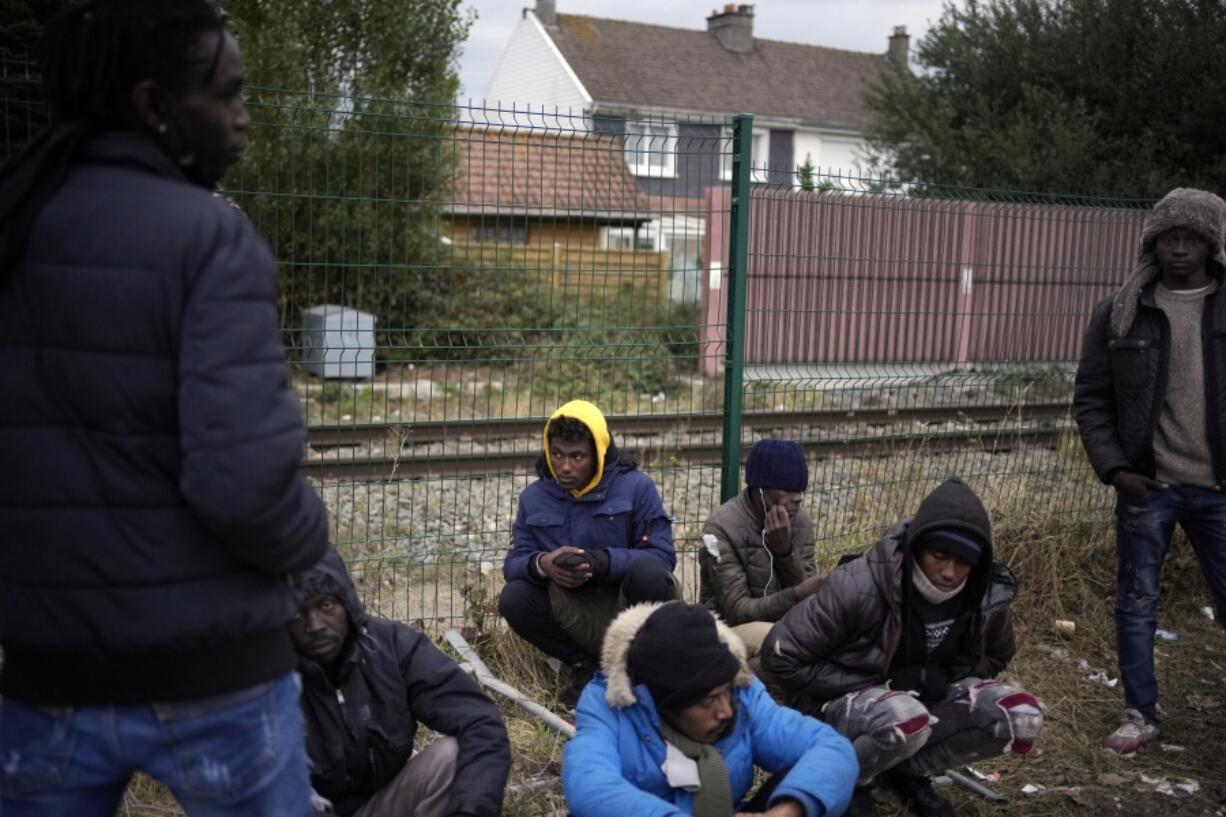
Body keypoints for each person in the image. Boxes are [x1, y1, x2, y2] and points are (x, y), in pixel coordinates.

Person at [0, 2, 330, 814]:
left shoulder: (15, 219)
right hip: (212, 675)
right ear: (155, 108)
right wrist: (310, 537)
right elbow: (246, 482)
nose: (243, 118)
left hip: (44, 675)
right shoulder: (207, 238)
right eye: (227, 94)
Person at [762, 478, 1043, 817]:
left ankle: (909, 771)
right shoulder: (859, 585)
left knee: (1018, 713)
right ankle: (853, 780)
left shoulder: (983, 595)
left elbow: (998, 653)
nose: (950, 572)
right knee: (901, 715)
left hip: (914, 710)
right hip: (837, 710)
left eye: (964, 562)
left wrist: (944, 680)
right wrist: (881, 685)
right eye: (938, 556)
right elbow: (780, 655)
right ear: (916, 547)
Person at [1074, 187, 1226, 752]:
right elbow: (1091, 397)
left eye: (1191, 238)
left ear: (1212, 244)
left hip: (1219, 488)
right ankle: (1140, 713)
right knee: (1137, 603)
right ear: (1153, 244)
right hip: (1149, 487)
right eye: (1168, 238)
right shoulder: (1120, 313)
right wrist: (1114, 470)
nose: (1179, 249)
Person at [562, 601, 858, 817]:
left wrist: (788, 811)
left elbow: (830, 747)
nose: (726, 711)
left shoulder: (738, 686)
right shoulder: (608, 704)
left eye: (726, 693)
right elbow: (590, 783)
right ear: (664, 702)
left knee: (816, 792)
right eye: (707, 701)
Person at [290, 549, 511, 817]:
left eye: (326, 605)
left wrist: (470, 812)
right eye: (296, 614)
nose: (315, 625)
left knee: (451, 756)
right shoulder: (263, 678)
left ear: (347, 604)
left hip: (382, 805)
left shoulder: (392, 646)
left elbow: (480, 721)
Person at [500, 399, 678, 705]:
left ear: (599, 453)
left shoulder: (637, 487)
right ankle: (585, 665)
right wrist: (544, 564)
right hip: (574, 611)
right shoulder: (533, 498)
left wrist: (604, 561)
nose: (565, 466)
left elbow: (663, 557)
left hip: (626, 604)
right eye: (556, 454)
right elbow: (514, 563)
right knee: (514, 597)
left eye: (577, 456)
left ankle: (638, 666)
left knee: (649, 574)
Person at [700, 439, 823, 673]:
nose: (797, 498)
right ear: (760, 490)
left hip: (787, 628)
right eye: (787, 489)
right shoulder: (721, 527)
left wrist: (785, 553)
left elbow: (809, 605)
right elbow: (737, 611)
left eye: (799, 490)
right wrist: (795, 595)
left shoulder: (800, 522)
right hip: (727, 633)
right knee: (782, 646)